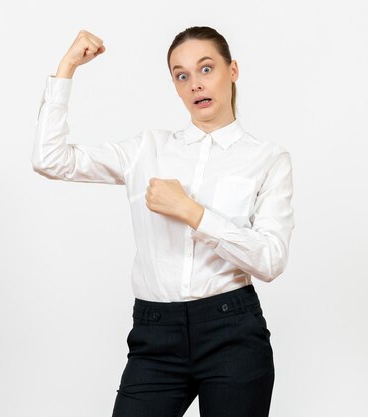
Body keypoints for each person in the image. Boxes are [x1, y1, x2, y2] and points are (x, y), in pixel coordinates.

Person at [32, 26, 294, 417]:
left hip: (233, 334)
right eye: (182, 75)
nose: (195, 85)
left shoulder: (267, 159)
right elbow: (50, 160)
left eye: (206, 69)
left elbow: (271, 260)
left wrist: (193, 212)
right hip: (156, 335)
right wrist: (67, 68)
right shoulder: (147, 150)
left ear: (232, 70)